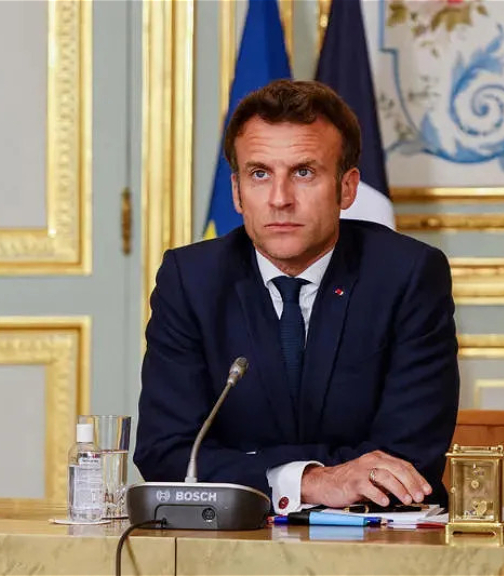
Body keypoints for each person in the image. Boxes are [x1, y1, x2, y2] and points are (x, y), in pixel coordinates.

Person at [134, 79, 459, 513]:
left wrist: (253, 467)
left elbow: (406, 459)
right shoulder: (191, 280)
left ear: (347, 188)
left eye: (304, 172)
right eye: (259, 174)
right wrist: (310, 481)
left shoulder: (407, 275)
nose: (280, 199)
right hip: (233, 539)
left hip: (381, 537)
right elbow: (168, 454)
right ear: (236, 192)